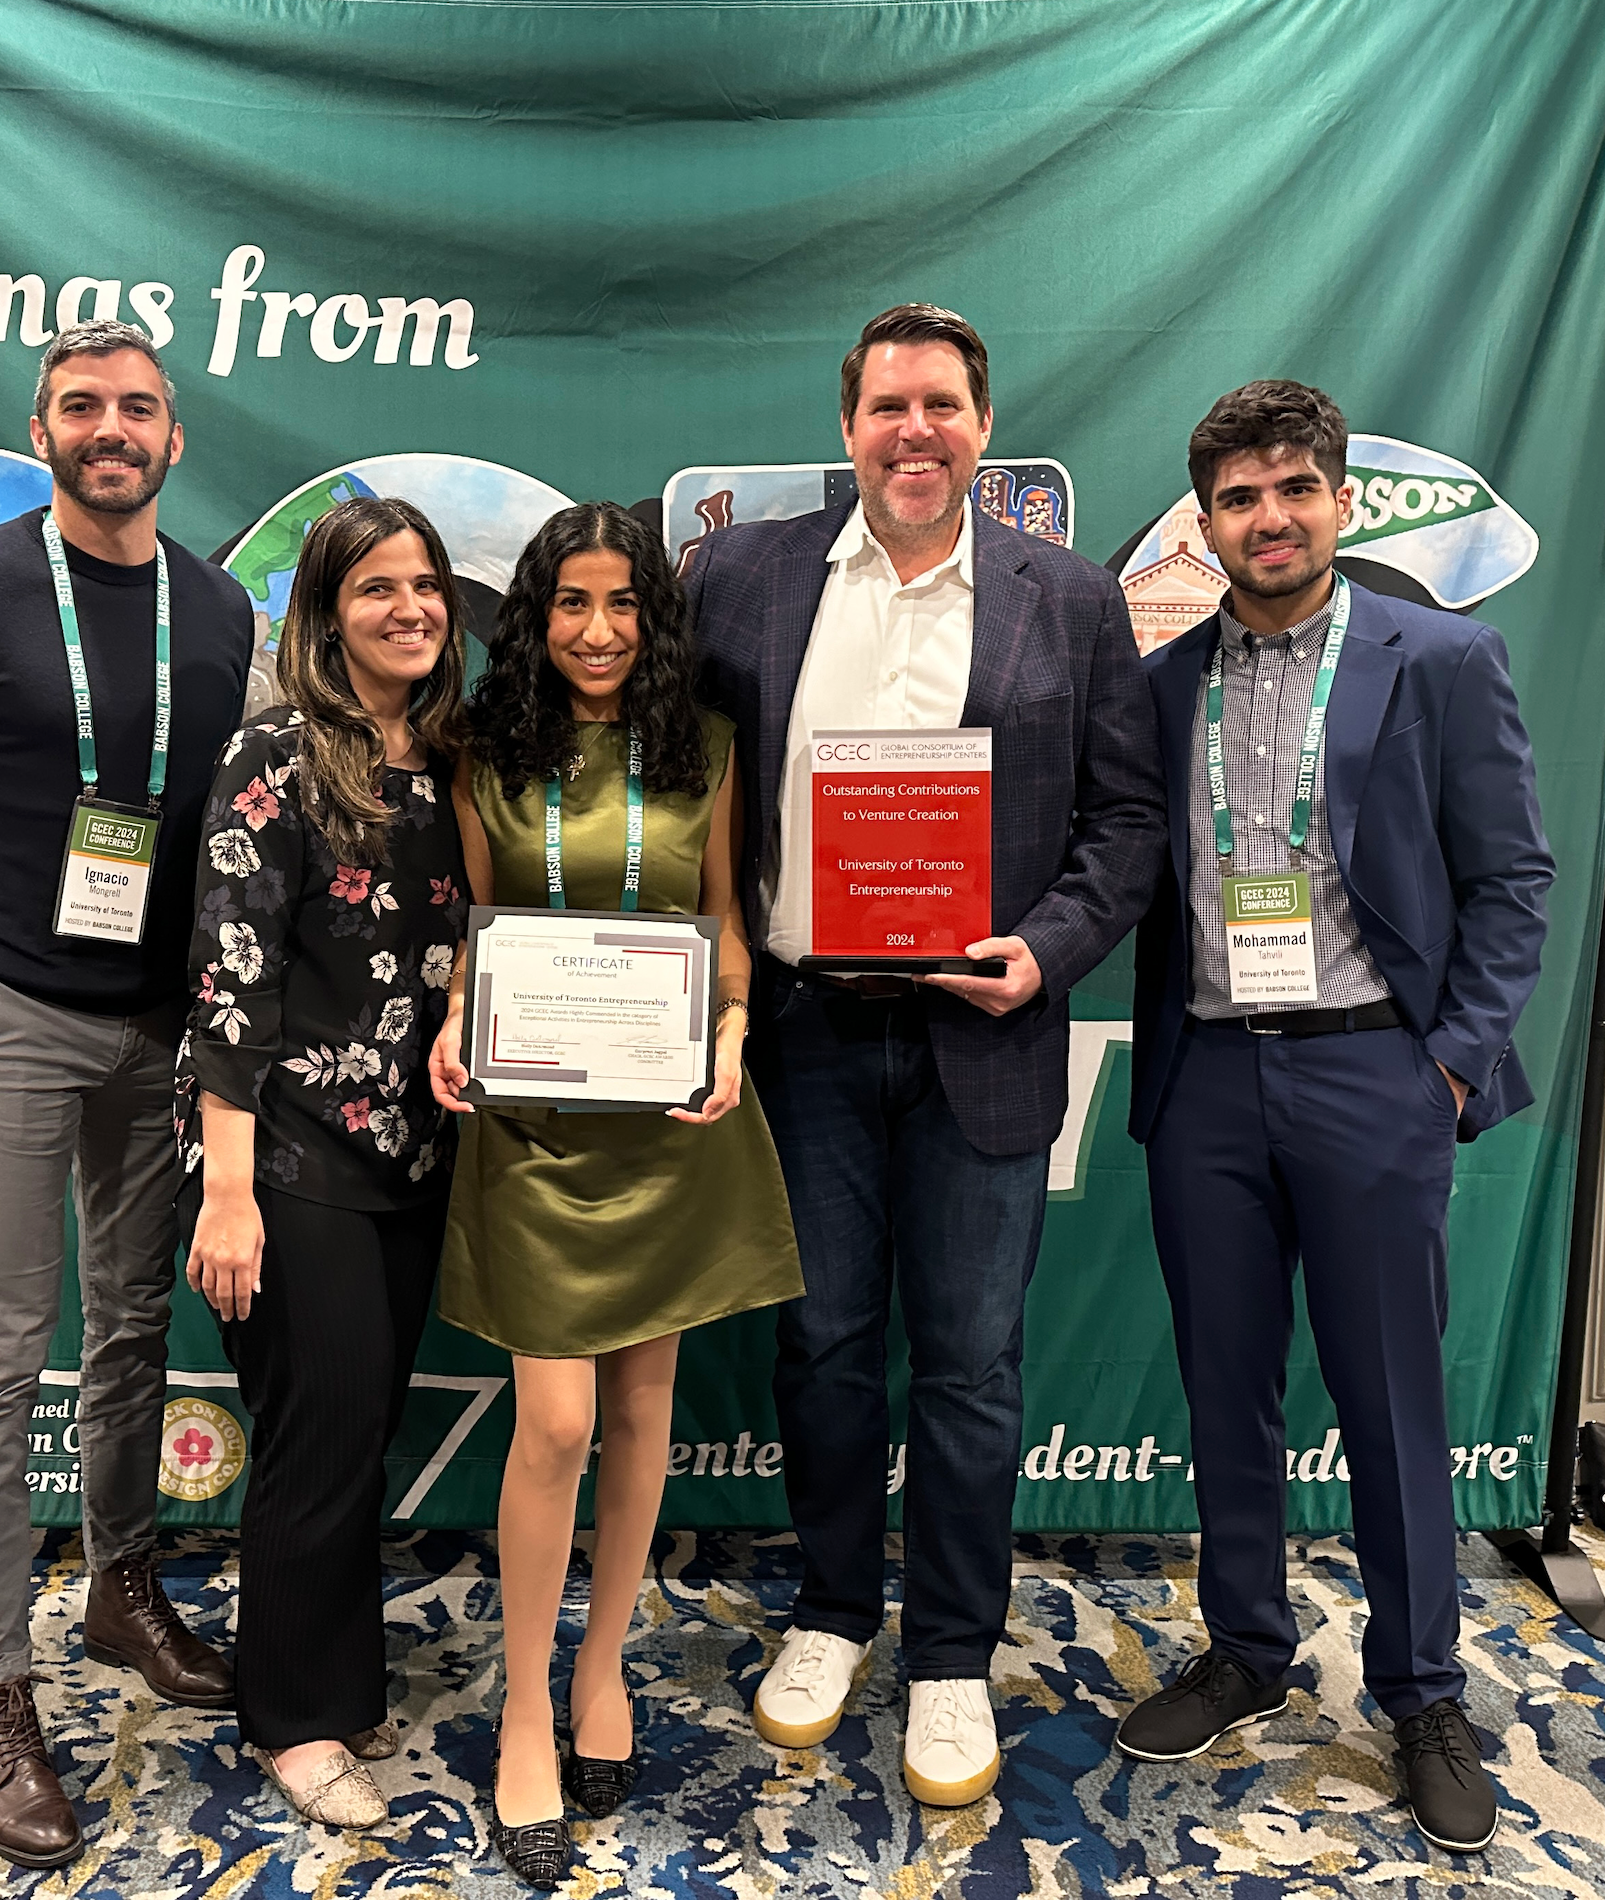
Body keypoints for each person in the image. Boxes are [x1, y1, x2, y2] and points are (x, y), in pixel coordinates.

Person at [688, 304, 1166, 1808]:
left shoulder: (1069, 596)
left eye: (943, 405)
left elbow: (1127, 820)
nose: (916, 431)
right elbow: (681, 790)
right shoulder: (740, 580)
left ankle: (951, 1651)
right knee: (823, 1345)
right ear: (847, 429)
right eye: (889, 405)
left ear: (982, 425)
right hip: (811, 1036)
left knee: (970, 1365)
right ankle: (832, 1612)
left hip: (989, 1031)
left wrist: (1052, 946)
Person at [1117, 381, 1552, 1853]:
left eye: (1294, 488)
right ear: (1208, 522)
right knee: (1225, 1388)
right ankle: (1246, 1649)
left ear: (1341, 499)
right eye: (1239, 497)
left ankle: (1423, 1690)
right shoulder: (1165, 682)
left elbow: (1514, 878)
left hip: (1376, 1072)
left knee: (1390, 1400)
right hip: (1212, 1081)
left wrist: (1448, 1061)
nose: (1270, 517)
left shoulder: (1442, 656)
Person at [0, 320, 249, 1868]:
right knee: (0, 1348)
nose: (111, 428)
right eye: (83, 405)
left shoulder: (219, 612)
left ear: (173, 439)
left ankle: (123, 1584)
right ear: (41, 427)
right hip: (9, 1008)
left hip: (159, 1027)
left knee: (135, 1319)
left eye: (137, 408)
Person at [430, 501, 803, 1887]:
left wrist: (731, 1031)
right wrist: (456, 1018)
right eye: (571, 604)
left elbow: (722, 921)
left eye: (623, 605)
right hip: (536, 1120)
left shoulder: (700, 745)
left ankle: (602, 1671)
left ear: (655, 618)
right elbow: (475, 931)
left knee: (643, 1408)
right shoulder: (487, 751)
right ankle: (522, 1701)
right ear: (535, 617)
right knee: (558, 1421)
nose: (597, 631)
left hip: (667, 1113)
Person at [177, 496, 471, 1827]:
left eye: (425, 585)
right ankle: (292, 1719)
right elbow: (230, 983)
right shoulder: (277, 755)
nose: (407, 607)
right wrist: (228, 1196)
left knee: (351, 1426)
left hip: (413, 1156)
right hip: (284, 1161)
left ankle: (331, 1678)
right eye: (375, 590)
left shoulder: (458, 759)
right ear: (326, 614)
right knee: (319, 1433)